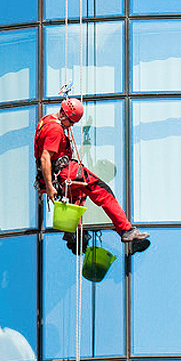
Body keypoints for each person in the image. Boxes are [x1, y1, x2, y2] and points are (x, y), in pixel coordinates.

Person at [36, 98, 150, 256]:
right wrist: (49, 186)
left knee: (78, 194)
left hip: (56, 176)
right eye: (71, 121)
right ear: (63, 115)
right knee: (103, 191)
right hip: (63, 172)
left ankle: (73, 233)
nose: (72, 125)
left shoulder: (47, 120)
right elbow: (45, 157)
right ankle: (126, 230)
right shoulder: (55, 129)